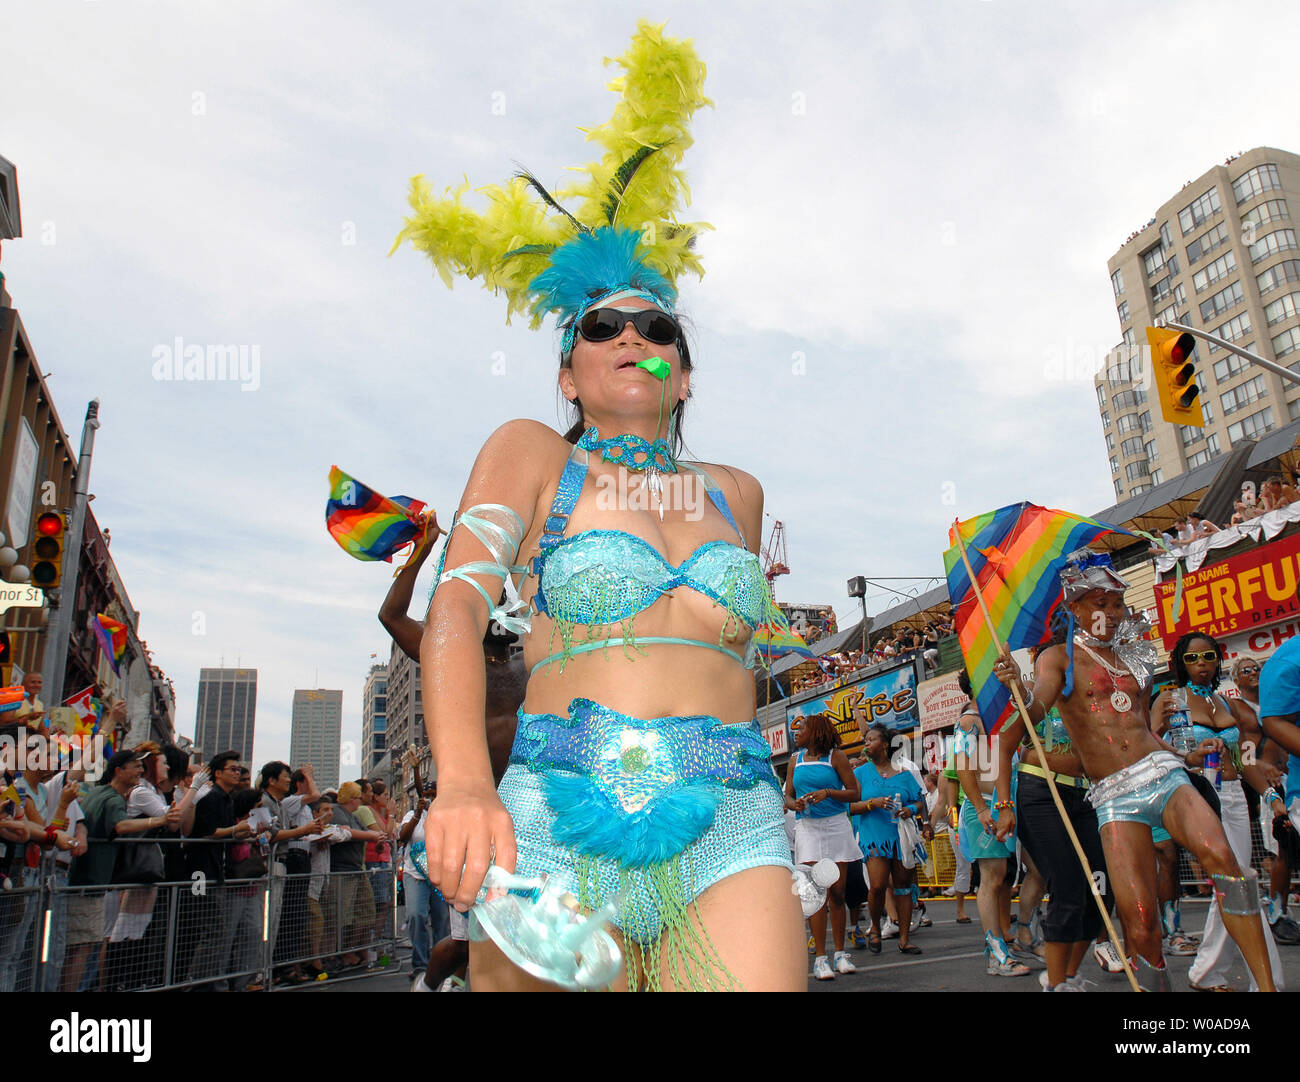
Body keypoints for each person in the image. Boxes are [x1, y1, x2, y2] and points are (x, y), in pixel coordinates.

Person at [398, 23, 803, 993]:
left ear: (685, 372)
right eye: (602, 325)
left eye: (656, 324)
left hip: (730, 811)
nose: (632, 335)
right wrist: (462, 782)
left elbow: (731, 655)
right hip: (557, 813)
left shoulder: (737, 493)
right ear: (568, 373)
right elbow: (453, 607)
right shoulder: (531, 455)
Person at [996, 551, 1277, 991]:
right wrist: (1016, 686)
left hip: (1162, 773)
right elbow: (1034, 710)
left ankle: (1267, 987)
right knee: (1141, 923)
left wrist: (1183, 757)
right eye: (1098, 602)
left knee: (1226, 865)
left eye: (1116, 603)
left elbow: (1141, 727)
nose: (1109, 612)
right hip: (1112, 796)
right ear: (1074, 609)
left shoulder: (1137, 657)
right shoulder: (1057, 658)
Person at [1152, 634, 1286, 991]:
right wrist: (1184, 758)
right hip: (1198, 796)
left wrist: (1271, 796)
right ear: (1181, 663)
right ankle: (1265, 980)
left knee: (1235, 883)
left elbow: (1245, 760)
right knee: (1236, 882)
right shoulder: (1170, 699)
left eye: (1209, 656)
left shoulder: (1225, 704)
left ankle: (1207, 971)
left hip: (1234, 798)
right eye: (1193, 657)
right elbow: (1149, 744)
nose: (1202, 663)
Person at [994, 634, 1113, 992]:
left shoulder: (1090, 698)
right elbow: (1005, 744)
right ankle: (1058, 984)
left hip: (1087, 796)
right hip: (1041, 795)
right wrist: (1004, 807)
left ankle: (1070, 975)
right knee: (1068, 886)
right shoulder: (1034, 696)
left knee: (1101, 890)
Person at [953, 672, 1029, 977]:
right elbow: (963, 767)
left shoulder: (1004, 715)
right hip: (985, 807)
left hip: (1010, 804)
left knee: (1025, 872)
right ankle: (997, 954)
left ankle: (1026, 933)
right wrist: (983, 808)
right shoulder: (970, 721)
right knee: (992, 877)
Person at [783, 713, 861, 979]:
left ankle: (840, 954)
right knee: (816, 895)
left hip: (836, 826)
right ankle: (820, 959)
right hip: (807, 830)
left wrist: (828, 793)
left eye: (801, 728)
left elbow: (855, 792)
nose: (796, 733)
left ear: (815, 731)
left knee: (837, 892)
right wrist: (796, 804)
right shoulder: (795, 760)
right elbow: (788, 795)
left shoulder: (835, 757)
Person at [849, 723, 928, 956]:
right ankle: (875, 927)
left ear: (884, 744)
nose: (866, 744)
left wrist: (910, 811)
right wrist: (873, 803)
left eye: (871, 739)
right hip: (874, 836)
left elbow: (919, 801)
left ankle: (904, 939)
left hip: (900, 837)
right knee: (877, 885)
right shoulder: (859, 773)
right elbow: (850, 806)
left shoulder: (903, 773)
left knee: (903, 888)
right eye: (866, 740)